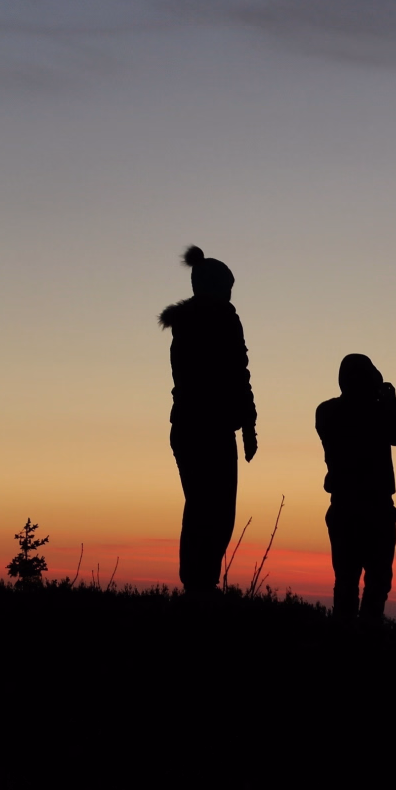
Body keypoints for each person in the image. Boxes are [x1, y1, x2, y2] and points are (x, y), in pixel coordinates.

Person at [158, 246, 257, 596]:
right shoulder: (222, 319)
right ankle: (200, 586)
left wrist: (246, 424)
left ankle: (198, 584)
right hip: (210, 429)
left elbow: (235, 374)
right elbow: (238, 373)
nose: (230, 294)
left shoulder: (187, 323)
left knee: (203, 507)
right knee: (214, 509)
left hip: (190, 427)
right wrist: (249, 426)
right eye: (227, 287)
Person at [315, 354, 396, 631]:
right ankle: (368, 634)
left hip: (343, 505)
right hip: (376, 506)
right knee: (378, 580)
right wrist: (391, 401)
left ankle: (343, 634)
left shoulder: (327, 411)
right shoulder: (378, 412)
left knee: (346, 579)